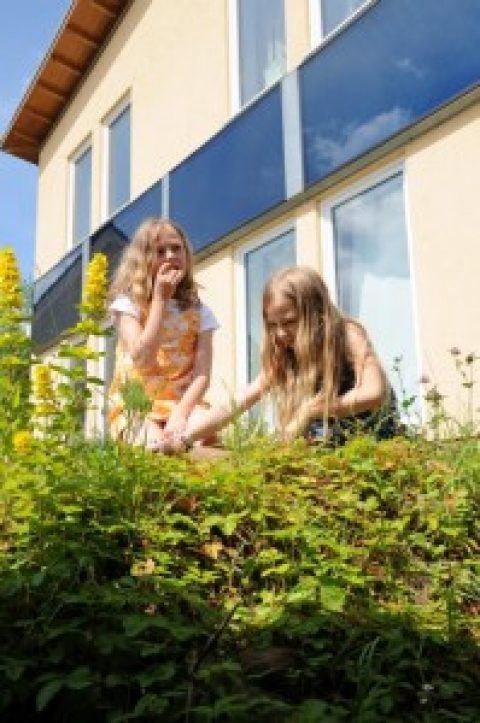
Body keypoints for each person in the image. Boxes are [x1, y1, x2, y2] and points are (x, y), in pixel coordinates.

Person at [159, 265, 397, 452]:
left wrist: (312, 410)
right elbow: (236, 404)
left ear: (317, 313)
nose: (280, 333)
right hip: (330, 446)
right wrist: (186, 438)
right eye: (273, 325)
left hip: (374, 443)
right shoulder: (284, 355)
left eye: (290, 322)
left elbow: (374, 392)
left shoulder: (347, 333)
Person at [107, 218, 219, 448]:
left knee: (204, 437)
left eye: (176, 248)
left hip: (182, 404)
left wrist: (180, 414)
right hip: (137, 406)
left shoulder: (200, 312)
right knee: (156, 447)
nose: (170, 256)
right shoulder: (129, 305)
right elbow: (143, 359)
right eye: (160, 251)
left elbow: (202, 375)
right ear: (143, 260)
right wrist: (160, 300)